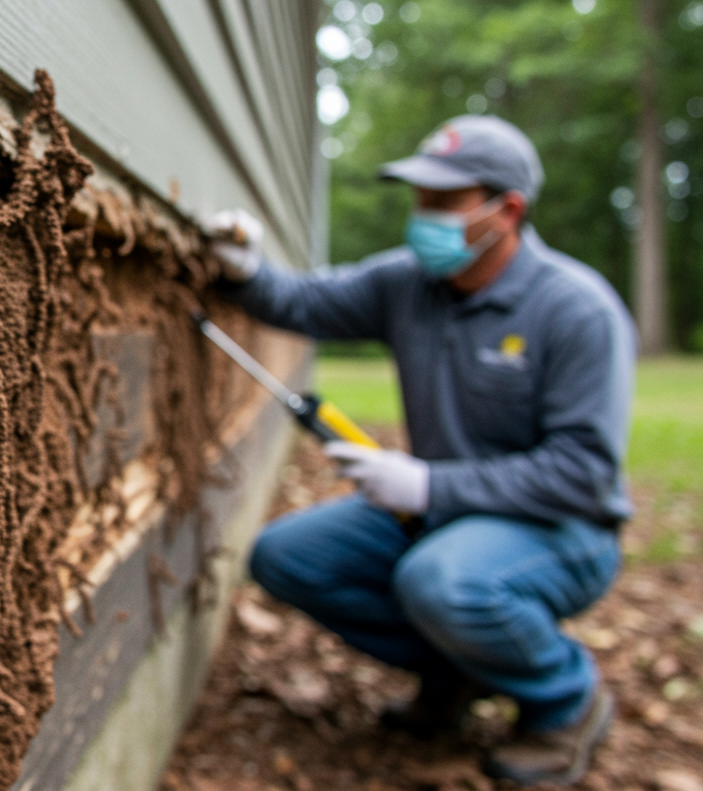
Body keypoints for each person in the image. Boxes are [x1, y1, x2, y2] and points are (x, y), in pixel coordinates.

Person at [207, 115, 635, 786]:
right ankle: (457, 674)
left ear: (508, 210)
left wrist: (428, 487)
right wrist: (246, 269)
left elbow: (580, 474)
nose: (422, 217)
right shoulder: (406, 284)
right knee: (286, 558)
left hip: (560, 528)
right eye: (420, 199)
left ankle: (566, 698)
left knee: (440, 582)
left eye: (443, 202)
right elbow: (306, 302)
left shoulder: (576, 311)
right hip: (442, 509)